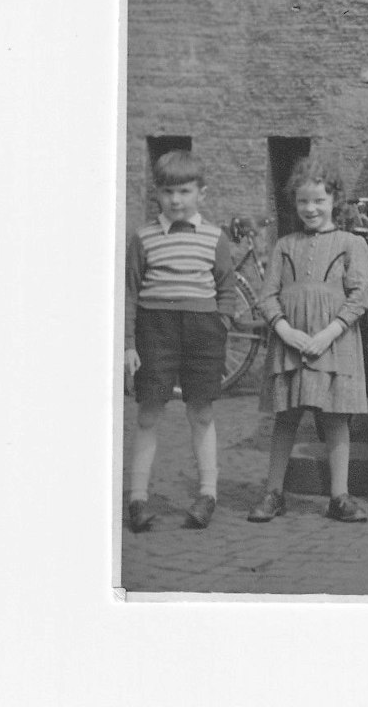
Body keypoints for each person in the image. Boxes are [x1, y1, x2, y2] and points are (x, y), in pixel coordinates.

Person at [249, 156, 368, 523]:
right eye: (303, 201)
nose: (311, 208)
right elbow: (268, 296)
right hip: (291, 343)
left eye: (319, 200)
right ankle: (274, 492)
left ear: (335, 200)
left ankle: (339, 496)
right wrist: (285, 330)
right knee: (285, 418)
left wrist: (328, 334)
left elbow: (358, 298)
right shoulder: (284, 245)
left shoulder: (352, 243)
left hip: (335, 342)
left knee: (336, 418)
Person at [123, 150, 240, 532]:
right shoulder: (143, 238)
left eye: (185, 191)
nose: (176, 200)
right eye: (168, 191)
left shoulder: (214, 237)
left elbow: (227, 286)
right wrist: (129, 343)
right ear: (157, 193)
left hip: (202, 330)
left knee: (202, 412)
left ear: (201, 194)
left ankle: (208, 493)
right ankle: (137, 499)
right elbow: (129, 293)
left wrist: (219, 324)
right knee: (148, 413)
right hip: (155, 329)